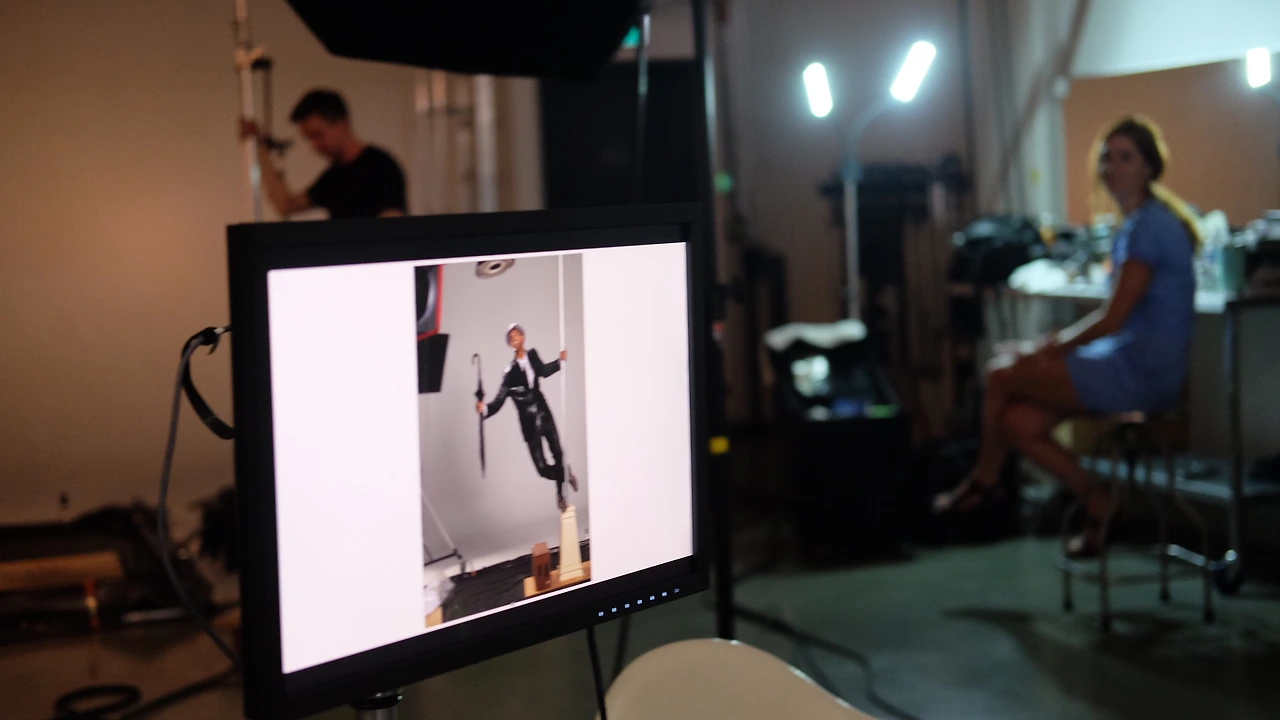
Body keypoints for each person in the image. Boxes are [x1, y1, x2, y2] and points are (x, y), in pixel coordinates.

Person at [934, 115, 1201, 558]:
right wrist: (1049, 348)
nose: (1113, 167)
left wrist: (1045, 349)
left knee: (1001, 374)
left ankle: (985, 481)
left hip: (1144, 371)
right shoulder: (1138, 224)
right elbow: (1116, 322)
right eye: (1107, 158)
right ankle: (1099, 504)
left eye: (1126, 158)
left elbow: (1113, 319)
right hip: (1128, 359)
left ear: (1149, 167)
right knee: (1017, 425)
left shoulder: (1149, 227)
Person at [238, 89, 407, 219]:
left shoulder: (380, 166)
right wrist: (259, 148)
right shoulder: (335, 176)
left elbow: (392, 224)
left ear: (341, 124)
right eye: (309, 139)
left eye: (318, 135)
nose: (314, 145)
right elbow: (286, 205)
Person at [477, 324, 580, 511]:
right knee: (541, 468)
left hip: (544, 414)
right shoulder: (510, 373)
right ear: (510, 344)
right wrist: (485, 409)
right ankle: (565, 474)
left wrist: (559, 362)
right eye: (511, 338)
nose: (515, 339)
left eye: (517, 335)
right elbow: (499, 400)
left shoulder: (533, 355)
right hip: (529, 424)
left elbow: (544, 371)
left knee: (558, 454)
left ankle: (561, 496)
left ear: (523, 337)